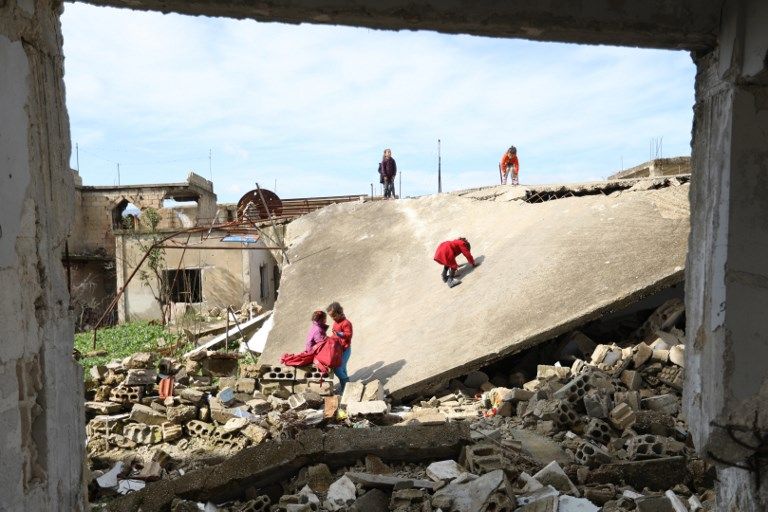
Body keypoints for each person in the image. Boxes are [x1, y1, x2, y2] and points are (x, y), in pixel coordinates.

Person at [326, 301, 353, 393]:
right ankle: (345, 389)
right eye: (331, 317)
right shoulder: (335, 323)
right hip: (339, 350)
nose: (333, 318)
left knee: (338, 369)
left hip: (345, 349)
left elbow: (348, 334)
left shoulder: (346, 323)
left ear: (339, 312)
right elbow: (334, 335)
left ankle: (347, 386)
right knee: (343, 369)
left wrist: (340, 334)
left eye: (334, 316)